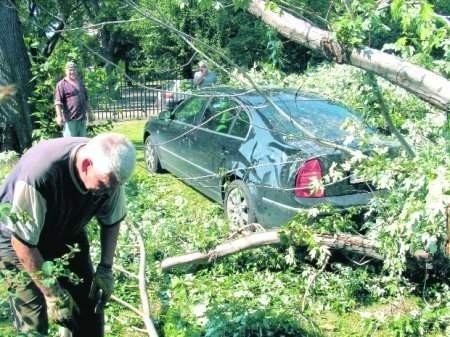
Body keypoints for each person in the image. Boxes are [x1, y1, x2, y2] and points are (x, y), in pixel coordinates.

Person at [0, 133, 136, 337]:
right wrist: (52, 294)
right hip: (16, 240)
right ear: (86, 165)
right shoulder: (41, 175)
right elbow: (23, 243)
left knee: (88, 306)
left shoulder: (110, 175)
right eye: (102, 186)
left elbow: (112, 221)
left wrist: (106, 268)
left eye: (112, 187)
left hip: (65, 233)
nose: (105, 193)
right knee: (33, 324)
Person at [54, 61, 91, 137]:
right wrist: (59, 116)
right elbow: (58, 102)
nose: (72, 72)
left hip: (82, 119)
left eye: (74, 69)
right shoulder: (61, 84)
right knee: (70, 143)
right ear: (65, 71)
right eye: (70, 70)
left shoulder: (80, 83)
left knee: (82, 143)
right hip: (70, 120)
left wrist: (90, 113)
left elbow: (86, 100)